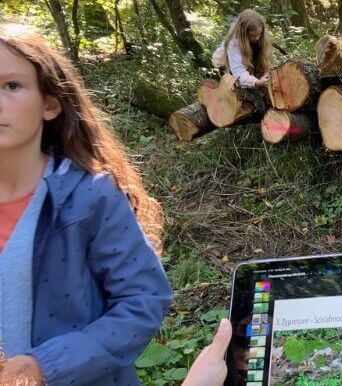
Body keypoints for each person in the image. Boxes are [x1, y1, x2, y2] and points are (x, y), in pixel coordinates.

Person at [0, 23, 172, 385]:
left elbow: (143, 300)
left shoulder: (89, 195)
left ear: (50, 104)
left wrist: (44, 366)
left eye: (11, 86)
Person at [211, 9, 274, 89]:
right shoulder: (233, 43)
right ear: (243, 33)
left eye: (259, 34)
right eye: (252, 35)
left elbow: (266, 61)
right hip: (225, 67)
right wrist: (256, 82)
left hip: (246, 65)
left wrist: (266, 75)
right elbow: (238, 72)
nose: (257, 38)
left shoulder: (260, 39)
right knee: (234, 91)